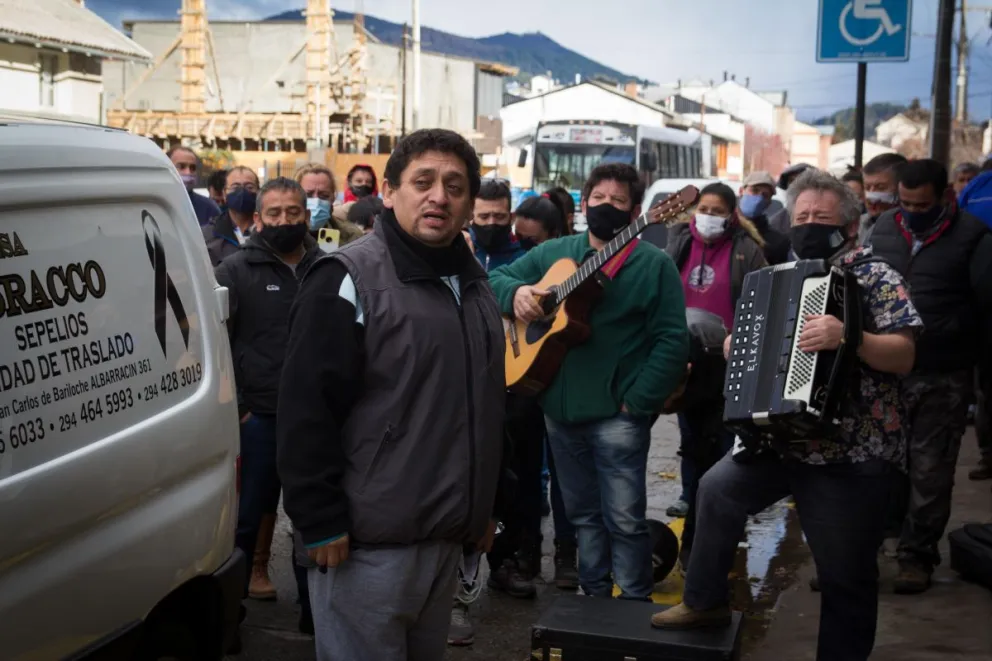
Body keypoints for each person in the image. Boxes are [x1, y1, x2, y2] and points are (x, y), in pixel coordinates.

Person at [654, 168, 920, 661]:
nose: (809, 224)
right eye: (802, 216)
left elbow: (904, 355)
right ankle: (706, 600)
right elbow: (757, 344)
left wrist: (851, 339)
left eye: (822, 216)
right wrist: (740, 345)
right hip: (780, 440)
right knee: (715, 489)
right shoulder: (776, 274)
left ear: (850, 225)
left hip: (850, 452)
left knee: (844, 575)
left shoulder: (876, 276)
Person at [277, 129, 510, 661]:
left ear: (470, 203)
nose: (439, 197)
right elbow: (306, 409)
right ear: (389, 191)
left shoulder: (472, 286)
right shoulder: (347, 278)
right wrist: (319, 518)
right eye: (423, 182)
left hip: (448, 537)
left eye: (454, 187)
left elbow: (486, 406)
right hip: (366, 546)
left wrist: (487, 506)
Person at [489, 163, 690, 601]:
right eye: (598, 198)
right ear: (583, 203)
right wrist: (518, 294)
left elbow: (673, 341)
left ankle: (634, 605)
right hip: (560, 412)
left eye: (618, 201)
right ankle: (593, 600)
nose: (606, 207)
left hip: (619, 414)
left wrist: (637, 401)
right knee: (583, 517)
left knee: (624, 518)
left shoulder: (654, 265)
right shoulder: (556, 253)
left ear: (637, 210)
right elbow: (494, 278)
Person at [868, 158, 992, 594]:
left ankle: (916, 557)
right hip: (884, 371)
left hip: (943, 374)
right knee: (876, 465)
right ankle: (862, 553)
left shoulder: (974, 239)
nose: (911, 212)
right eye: (904, 203)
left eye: (922, 204)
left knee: (930, 469)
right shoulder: (882, 230)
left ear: (945, 197)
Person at [213, 177, 321, 629]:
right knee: (242, 523)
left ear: (306, 215)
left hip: (314, 420)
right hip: (257, 419)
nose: (283, 221)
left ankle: (315, 618)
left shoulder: (327, 268)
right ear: (257, 218)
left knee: (314, 519)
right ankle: (227, 621)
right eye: (273, 213)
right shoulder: (234, 271)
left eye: (292, 212)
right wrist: (239, 406)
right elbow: (213, 343)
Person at [664, 183, 767, 557]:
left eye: (717, 210)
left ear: (731, 214)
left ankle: (725, 511)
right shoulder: (678, 242)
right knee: (691, 435)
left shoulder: (747, 250)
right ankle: (690, 496)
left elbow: (760, 298)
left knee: (724, 437)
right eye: (703, 208)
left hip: (727, 355)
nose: (708, 216)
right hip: (686, 352)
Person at [202, 166, 260, 267]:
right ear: (224, 193)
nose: (242, 192)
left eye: (249, 187)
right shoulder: (207, 236)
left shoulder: (269, 231)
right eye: (235, 187)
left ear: (258, 192)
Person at [295, 163, 364, 245]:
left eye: (324, 195)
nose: (316, 201)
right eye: (308, 195)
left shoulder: (352, 236)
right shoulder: (283, 234)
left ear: (333, 199)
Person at [468, 180, 526, 269]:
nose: (491, 222)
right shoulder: (459, 250)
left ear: (511, 218)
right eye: (484, 216)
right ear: (471, 217)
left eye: (499, 216)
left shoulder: (524, 258)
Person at [736, 171, 791, 265]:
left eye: (765, 195)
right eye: (754, 190)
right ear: (741, 191)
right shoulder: (724, 226)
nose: (758, 198)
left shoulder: (776, 241)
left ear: (769, 202)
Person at [859, 153, 907, 245]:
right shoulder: (858, 224)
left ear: (901, 188)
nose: (871, 196)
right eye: (867, 187)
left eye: (880, 188)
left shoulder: (909, 231)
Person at [167, 145, 221, 225]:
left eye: (192, 168)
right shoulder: (150, 202)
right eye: (181, 166)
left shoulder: (209, 207)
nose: (188, 172)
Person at [767, 163, 813, 233]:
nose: (796, 185)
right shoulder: (777, 223)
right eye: (792, 181)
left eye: (803, 180)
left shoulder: (831, 214)